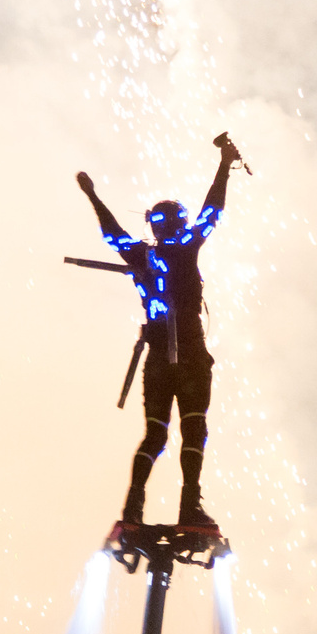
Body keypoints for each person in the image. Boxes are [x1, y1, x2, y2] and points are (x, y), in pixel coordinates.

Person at [77, 136, 241, 529]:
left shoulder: (141, 255)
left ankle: (133, 508)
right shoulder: (185, 247)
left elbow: (111, 232)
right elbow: (212, 210)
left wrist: (93, 197)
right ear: (179, 223)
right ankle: (189, 507)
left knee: (154, 435)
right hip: (190, 356)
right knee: (194, 427)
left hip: (156, 361)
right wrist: (224, 164)